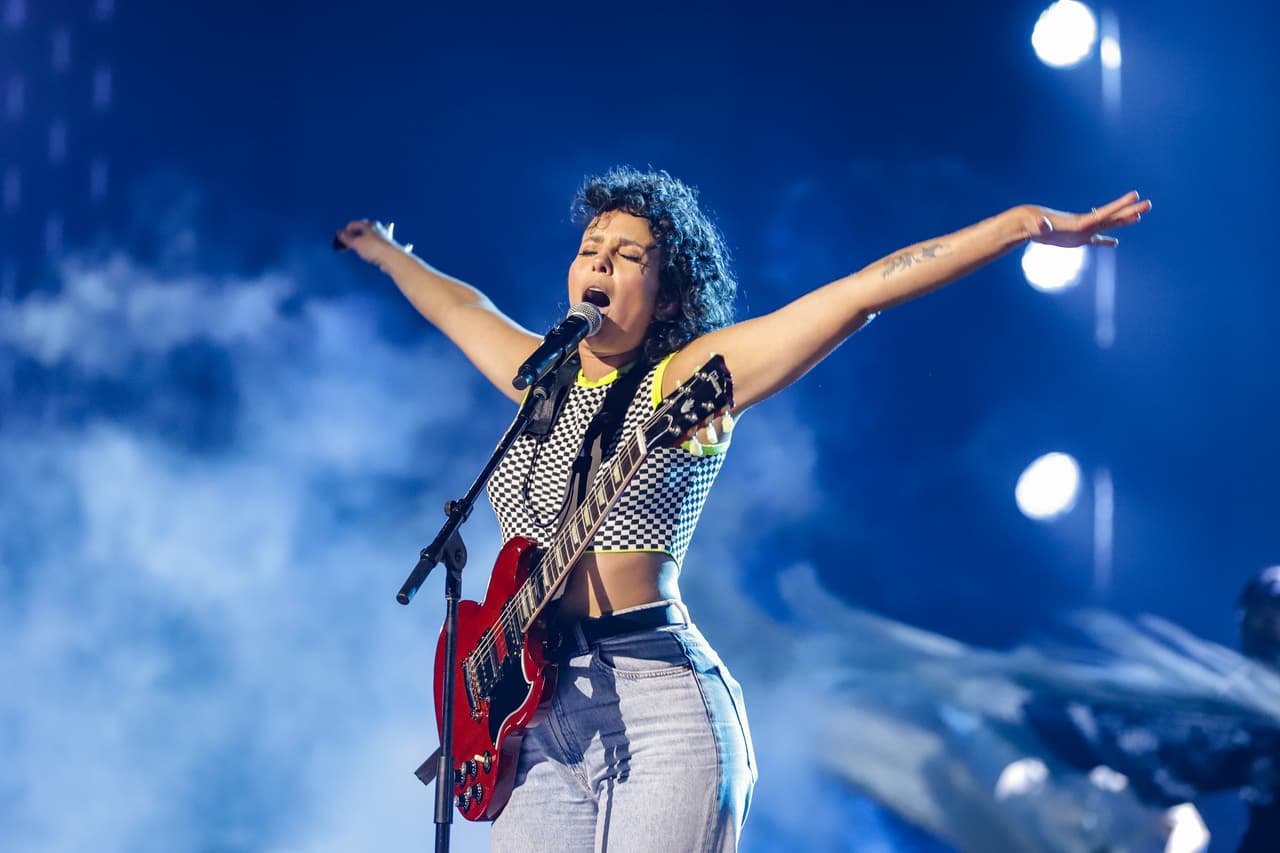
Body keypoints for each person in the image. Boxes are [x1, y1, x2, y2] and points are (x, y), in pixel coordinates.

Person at [335, 166, 1150, 852]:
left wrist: (1020, 225)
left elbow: (856, 295)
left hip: (654, 699)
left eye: (629, 255)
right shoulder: (538, 381)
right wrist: (385, 252)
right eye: (591, 250)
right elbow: (459, 307)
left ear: (665, 293)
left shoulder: (689, 379)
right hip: (530, 716)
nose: (602, 262)